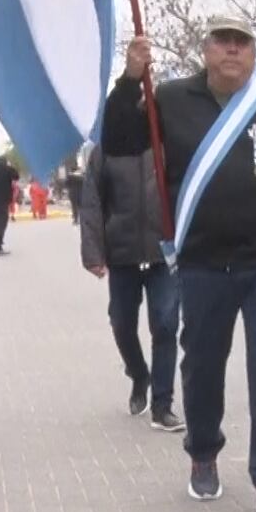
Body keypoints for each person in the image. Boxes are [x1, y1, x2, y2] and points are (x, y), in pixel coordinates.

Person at [103, 18, 256, 512]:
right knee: (202, 366)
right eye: (222, 42)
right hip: (202, 263)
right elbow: (118, 141)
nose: (232, 50)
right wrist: (127, 78)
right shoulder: (172, 99)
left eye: (241, 43)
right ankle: (203, 450)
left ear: (254, 54)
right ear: (205, 51)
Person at [78, 144, 181, 431]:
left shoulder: (166, 141)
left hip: (164, 253)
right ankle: (139, 374)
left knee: (165, 324)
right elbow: (92, 202)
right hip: (122, 253)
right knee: (121, 323)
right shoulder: (107, 149)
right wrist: (93, 252)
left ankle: (162, 405)